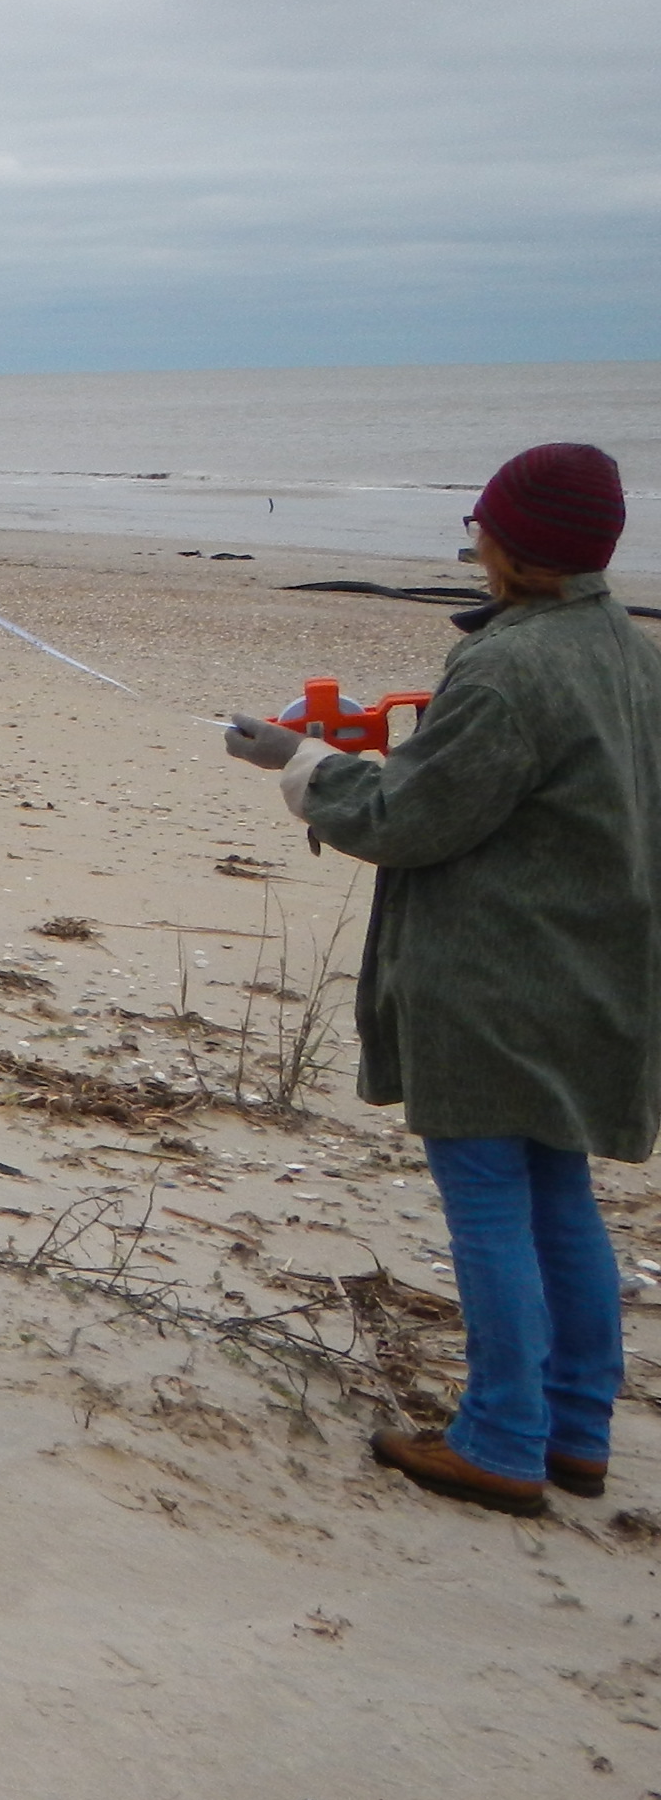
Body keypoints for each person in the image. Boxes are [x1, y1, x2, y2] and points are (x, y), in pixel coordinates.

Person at [226, 444, 661, 1516]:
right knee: (560, 1195)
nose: (473, 538)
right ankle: (576, 1428)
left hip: (499, 979)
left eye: (484, 524)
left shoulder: (511, 667)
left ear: (515, 546)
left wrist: (300, 766)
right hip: (597, 969)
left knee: (491, 1208)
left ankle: (507, 1440)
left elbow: (409, 822)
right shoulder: (629, 650)